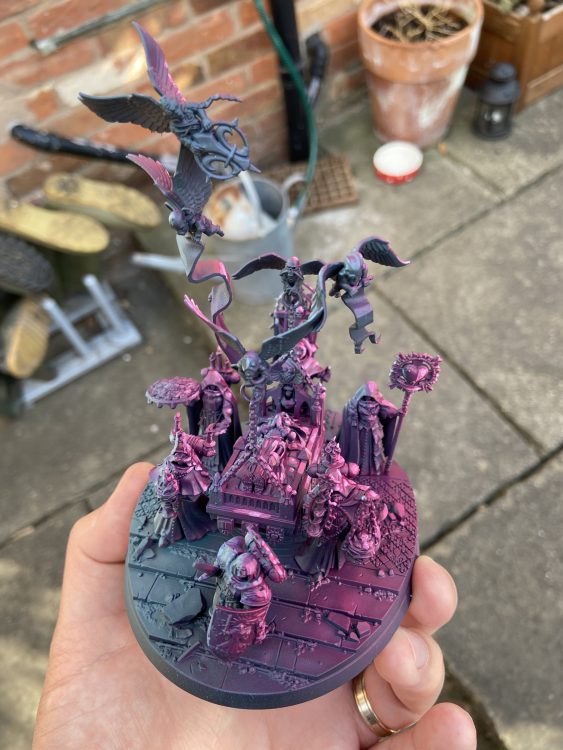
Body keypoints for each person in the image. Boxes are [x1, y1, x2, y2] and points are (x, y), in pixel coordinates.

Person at [33, 463, 477, 750]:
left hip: (260, 591)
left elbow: (275, 577)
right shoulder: (232, 552)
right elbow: (224, 569)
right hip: (234, 599)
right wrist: (219, 574)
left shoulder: (260, 563)